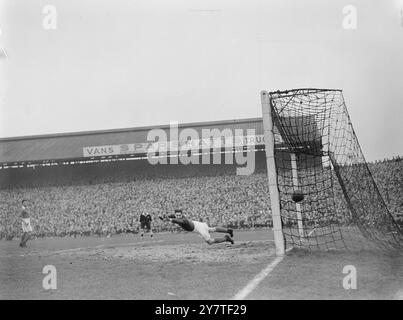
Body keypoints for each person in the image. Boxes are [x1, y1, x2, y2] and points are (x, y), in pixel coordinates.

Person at [160, 210, 234, 245]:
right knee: (212, 229)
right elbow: (171, 216)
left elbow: (177, 221)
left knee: (210, 242)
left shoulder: (183, 220)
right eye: (177, 215)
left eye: (179, 215)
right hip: (197, 224)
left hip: (199, 228)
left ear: (182, 215)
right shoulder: (176, 216)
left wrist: (169, 219)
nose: (178, 216)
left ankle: (226, 238)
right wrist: (163, 218)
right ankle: (228, 230)